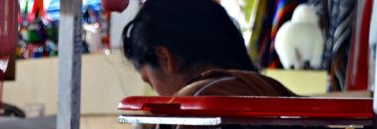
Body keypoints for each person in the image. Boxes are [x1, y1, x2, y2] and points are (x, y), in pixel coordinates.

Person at [122, 0, 294, 97]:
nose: (159, 95)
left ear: (165, 58)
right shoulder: (276, 92)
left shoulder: (190, 107)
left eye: (151, 83)